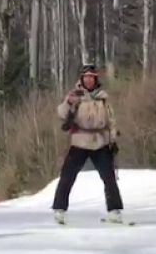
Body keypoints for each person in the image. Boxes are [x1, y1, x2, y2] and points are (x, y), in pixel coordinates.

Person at [51, 63, 124, 225]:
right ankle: (59, 209)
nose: (89, 80)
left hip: (100, 140)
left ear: (96, 79)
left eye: (92, 77)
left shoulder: (103, 98)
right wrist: (68, 102)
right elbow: (61, 114)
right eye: (86, 77)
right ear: (82, 79)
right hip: (80, 140)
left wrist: (113, 139)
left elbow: (111, 120)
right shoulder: (75, 95)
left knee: (109, 177)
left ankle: (114, 210)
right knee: (67, 176)